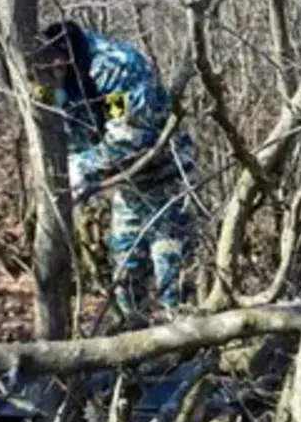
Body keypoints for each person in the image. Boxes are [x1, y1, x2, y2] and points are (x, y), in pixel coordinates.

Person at [29, 20, 198, 329]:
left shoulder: (112, 66)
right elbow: (60, 131)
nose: (42, 82)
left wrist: (83, 167)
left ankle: (191, 353)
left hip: (167, 175)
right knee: (126, 271)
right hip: (127, 184)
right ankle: (135, 348)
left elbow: (131, 136)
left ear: (58, 59)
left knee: (172, 273)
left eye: (45, 72)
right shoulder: (50, 82)